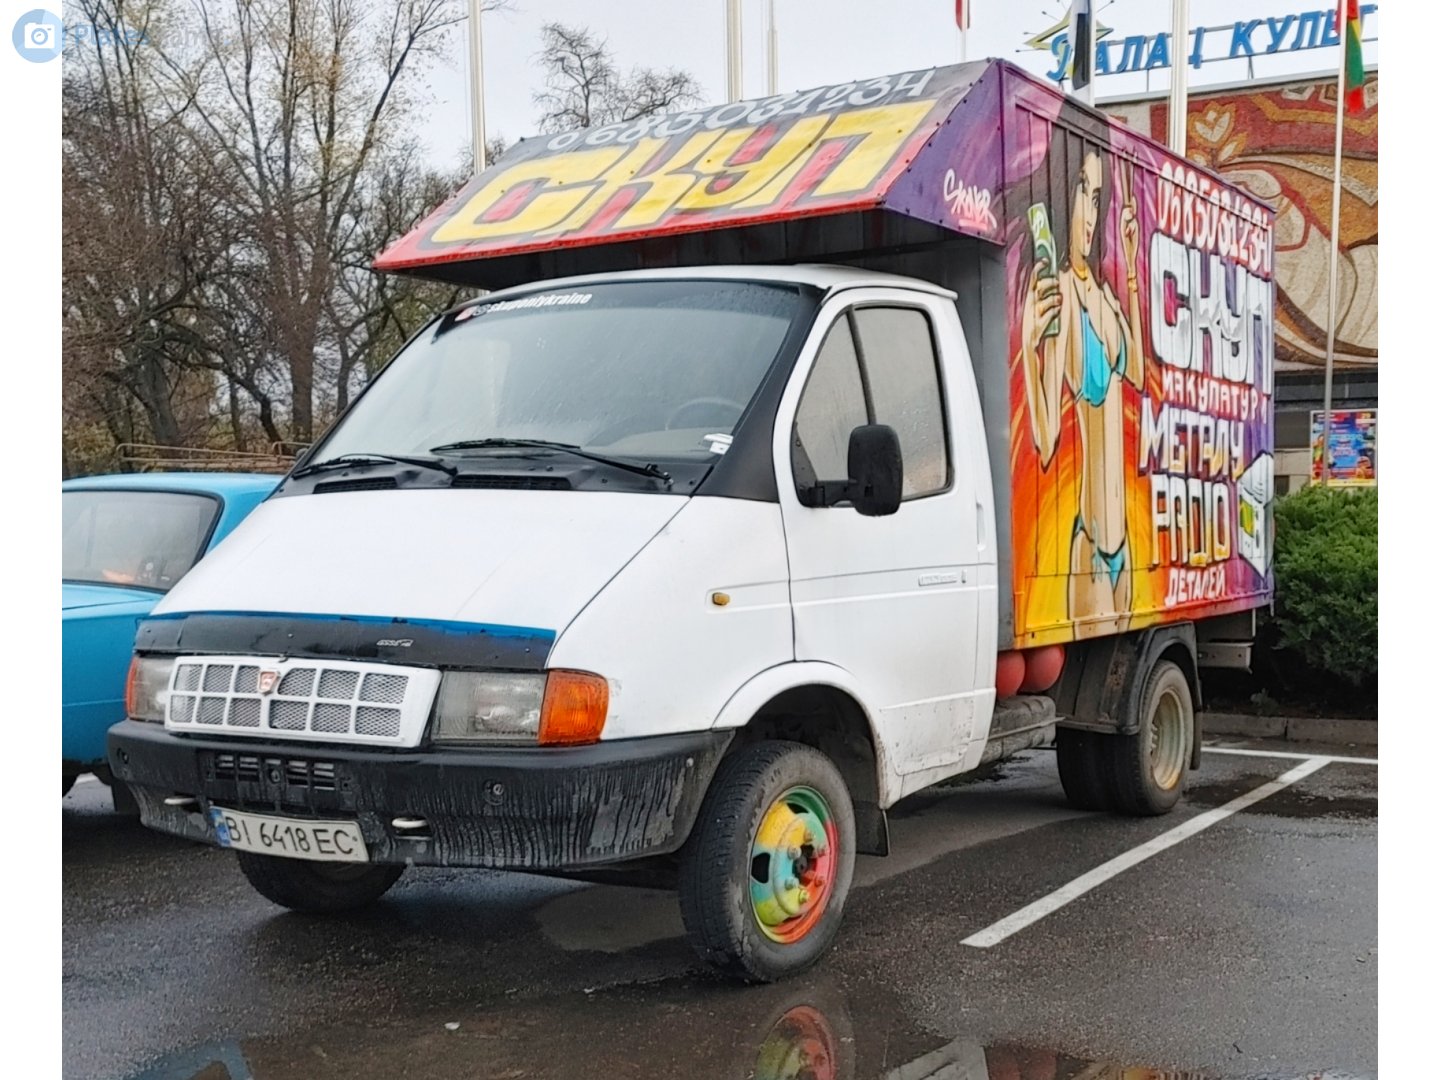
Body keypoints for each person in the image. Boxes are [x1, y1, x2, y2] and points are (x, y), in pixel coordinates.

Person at [1019, 121, 1144, 638]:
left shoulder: (1105, 296)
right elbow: (1046, 441)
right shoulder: (1063, 296)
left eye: (1098, 198)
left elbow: (1135, 371)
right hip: (1090, 549)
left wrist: (1132, 267)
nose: (1090, 214)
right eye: (1081, 194)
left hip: (1125, 550)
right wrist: (1029, 348)